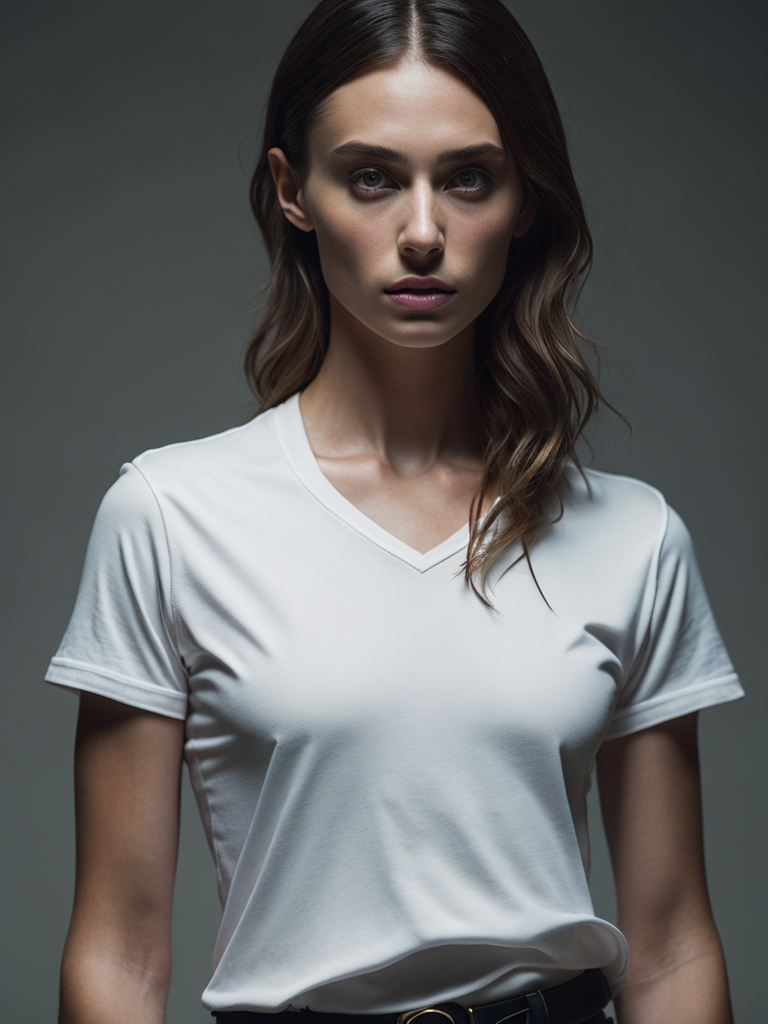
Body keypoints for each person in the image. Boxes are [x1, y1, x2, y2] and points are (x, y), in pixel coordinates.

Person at [44, 2, 745, 1023]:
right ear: (294, 190)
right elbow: (115, 955)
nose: (422, 233)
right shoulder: (168, 516)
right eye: (372, 177)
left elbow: (674, 949)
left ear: (525, 198)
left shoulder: (636, 539)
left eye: (469, 178)